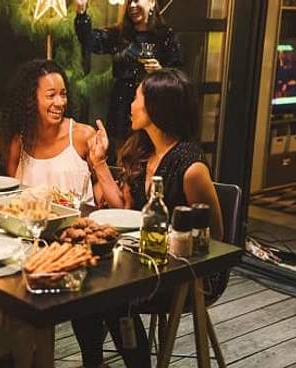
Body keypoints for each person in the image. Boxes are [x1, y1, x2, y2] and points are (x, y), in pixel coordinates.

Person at [72, 68, 223, 368]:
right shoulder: (143, 150)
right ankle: (93, 362)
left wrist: (166, 244)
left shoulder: (190, 167)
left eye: (137, 97)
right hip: (141, 261)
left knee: (113, 296)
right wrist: (99, 164)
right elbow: (125, 211)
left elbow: (215, 239)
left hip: (189, 273)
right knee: (82, 282)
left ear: (156, 106)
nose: (130, 103)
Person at [75, 0, 182, 164]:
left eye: (137, 0)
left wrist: (161, 71)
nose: (132, 6)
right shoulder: (120, 35)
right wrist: (82, 13)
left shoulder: (165, 36)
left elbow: (178, 75)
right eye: (129, 1)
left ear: (152, 2)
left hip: (153, 103)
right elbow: (90, 41)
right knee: (121, 153)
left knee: (150, 152)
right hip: (122, 102)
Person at [1, 58, 95, 204]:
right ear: (31, 99)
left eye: (63, 94)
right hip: (31, 224)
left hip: (77, 225)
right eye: (51, 95)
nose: (60, 103)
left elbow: (101, 191)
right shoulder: (19, 142)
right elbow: (13, 197)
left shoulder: (82, 136)